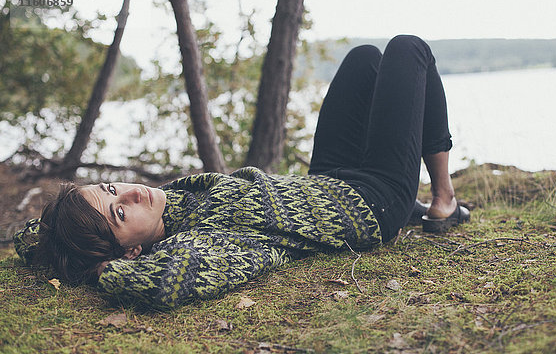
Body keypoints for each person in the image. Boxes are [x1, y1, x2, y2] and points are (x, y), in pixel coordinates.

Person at [13, 35, 469, 309]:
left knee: (365, 58)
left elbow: (32, 236)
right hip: (370, 204)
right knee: (409, 49)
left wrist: (55, 233)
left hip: (327, 180)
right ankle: (442, 200)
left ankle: (417, 204)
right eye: (118, 214)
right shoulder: (202, 242)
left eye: (113, 187)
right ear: (127, 253)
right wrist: (97, 269)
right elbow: (159, 286)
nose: (131, 195)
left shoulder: (175, 202)